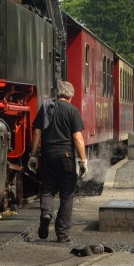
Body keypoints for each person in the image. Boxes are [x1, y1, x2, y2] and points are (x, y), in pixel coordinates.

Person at [27, 81, 87, 244]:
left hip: (47, 155)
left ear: (58, 94)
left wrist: (33, 155)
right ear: (71, 96)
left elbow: (37, 132)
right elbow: (77, 138)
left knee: (47, 189)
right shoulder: (72, 110)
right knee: (67, 194)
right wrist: (83, 160)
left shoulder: (46, 108)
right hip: (66, 156)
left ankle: (46, 214)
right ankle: (62, 235)